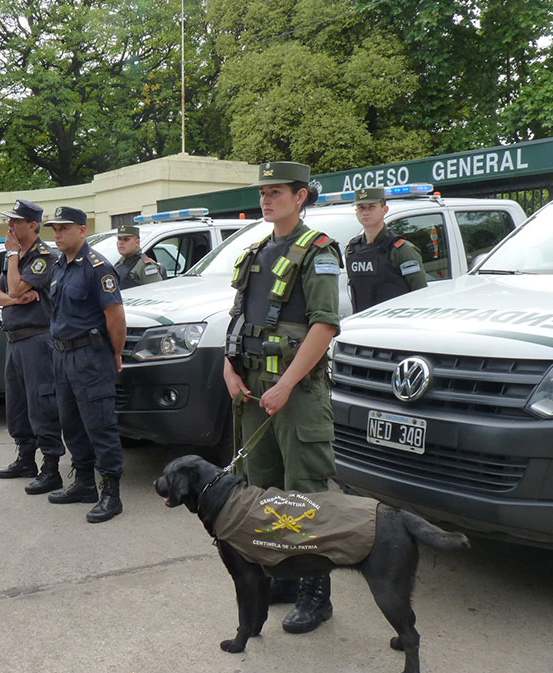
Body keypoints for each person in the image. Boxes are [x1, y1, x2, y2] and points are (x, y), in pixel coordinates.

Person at [222, 161, 341, 634]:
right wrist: (229, 368)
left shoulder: (319, 251)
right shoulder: (254, 251)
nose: (267, 199)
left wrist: (287, 383)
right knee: (264, 490)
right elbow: (237, 318)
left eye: (277, 192)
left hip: (296, 393)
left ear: (301, 196)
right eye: (263, 192)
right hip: (253, 390)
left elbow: (324, 325)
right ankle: (286, 578)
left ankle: (317, 593)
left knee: (305, 492)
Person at [44, 206, 127, 523]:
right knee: (71, 422)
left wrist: (115, 352)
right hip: (63, 355)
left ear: (82, 230)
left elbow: (115, 317)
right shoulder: (60, 266)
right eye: (54, 228)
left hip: (90, 356)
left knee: (99, 424)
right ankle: (83, 483)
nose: (57, 234)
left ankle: (111, 493)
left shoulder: (97, 268)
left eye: (64, 228)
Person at [0, 199, 65, 494]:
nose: (9, 226)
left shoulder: (42, 256)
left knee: (41, 402)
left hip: (37, 339)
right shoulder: (18, 256)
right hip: (15, 340)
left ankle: (51, 467)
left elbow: (16, 286)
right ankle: (25, 458)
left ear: (32, 225)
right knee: (18, 403)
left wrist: (11, 259)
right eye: (9, 221)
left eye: (15, 222)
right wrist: (14, 299)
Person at [345, 187, 427, 313]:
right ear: (356, 212)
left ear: (384, 210)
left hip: (393, 326)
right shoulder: (352, 250)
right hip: (362, 325)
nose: (365, 212)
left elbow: (420, 294)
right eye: (361, 208)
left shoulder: (401, 250)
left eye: (371, 207)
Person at [114, 224, 165, 290]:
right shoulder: (119, 263)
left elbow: (156, 292)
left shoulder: (145, 266)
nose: (121, 242)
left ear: (137, 243)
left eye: (126, 239)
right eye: (119, 239)